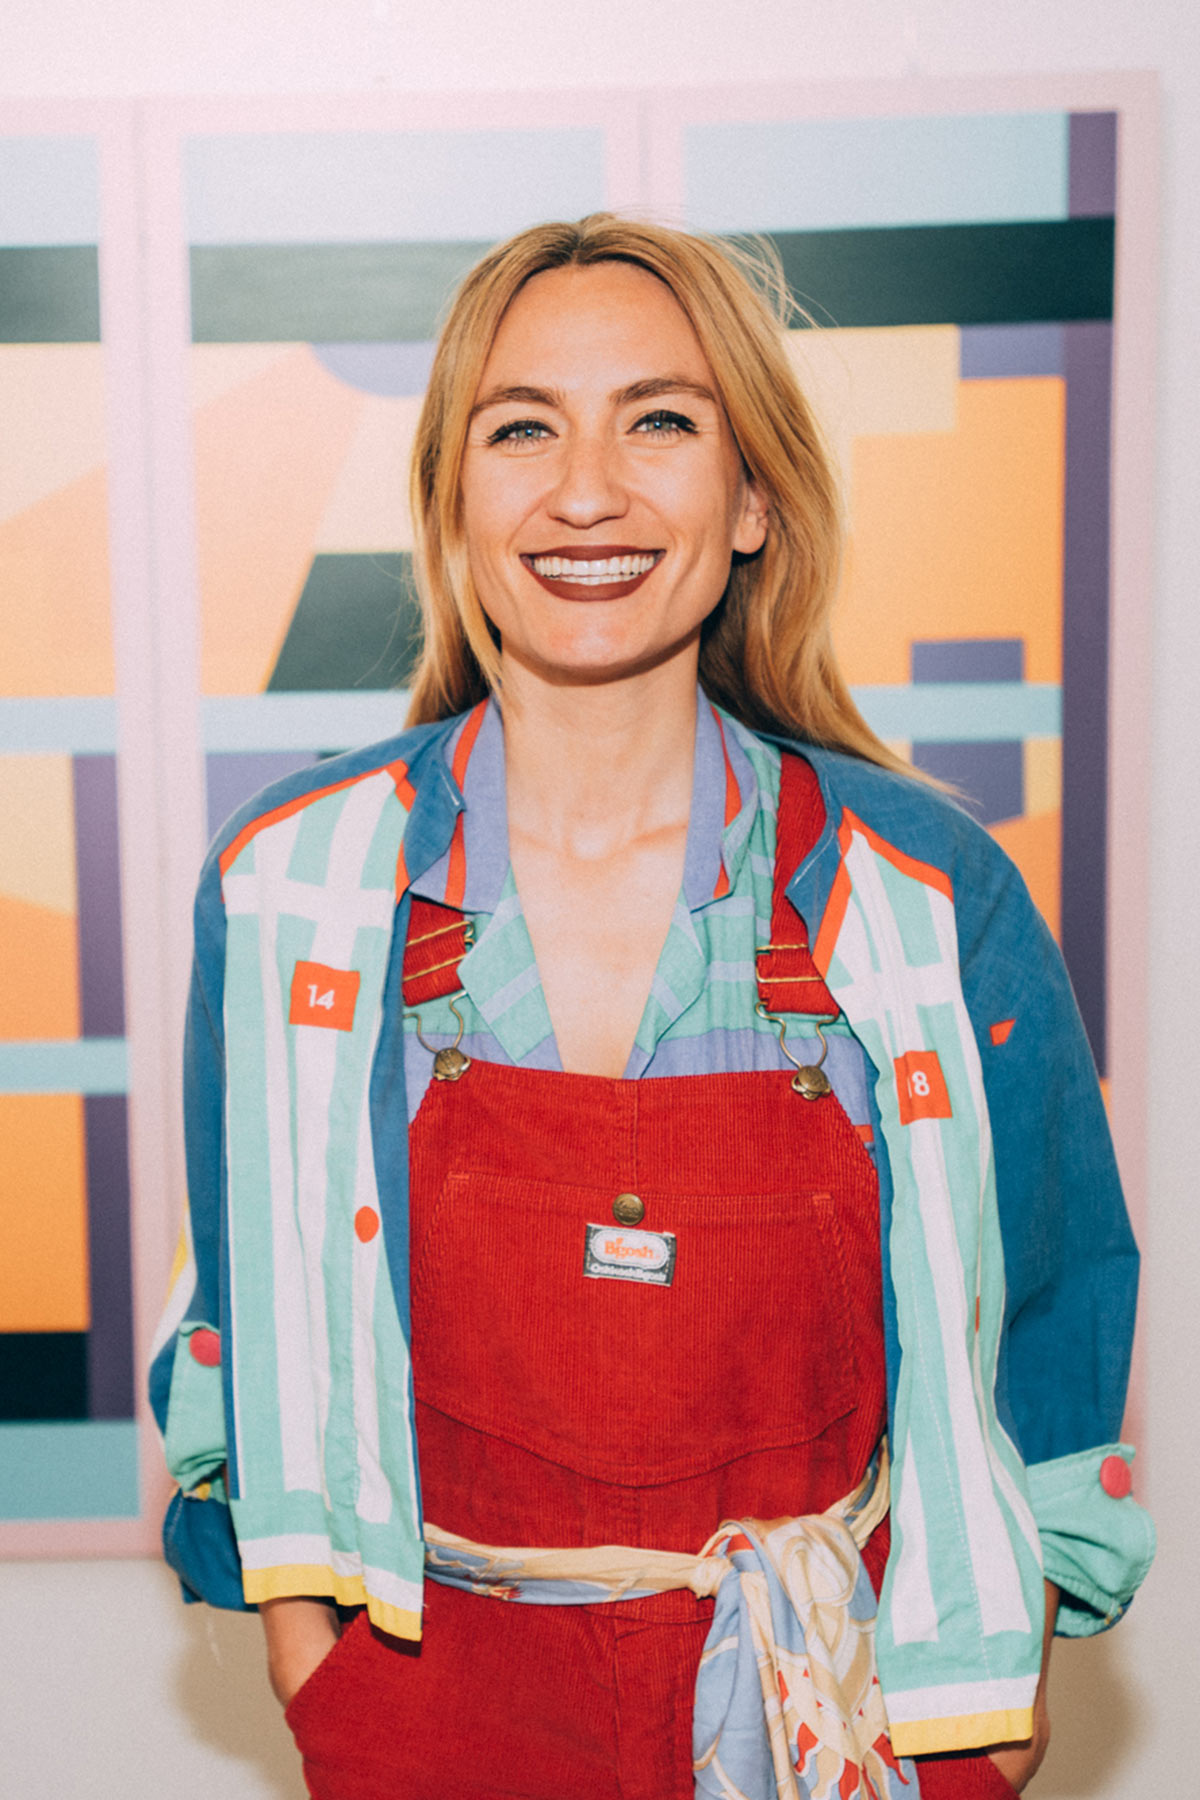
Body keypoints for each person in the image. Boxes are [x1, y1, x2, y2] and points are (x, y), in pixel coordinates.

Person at [150, 214, 1154, 1800]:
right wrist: (312, 1656)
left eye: (661, 421)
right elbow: (245, 1306)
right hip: (431, 1710)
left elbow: (1046, 1317)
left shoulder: (926, 895)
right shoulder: (293, 887)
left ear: (752, 499)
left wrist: (997, 1706)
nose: (587, 490)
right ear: (453, 497)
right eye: (522, 429)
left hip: (830, 1715)